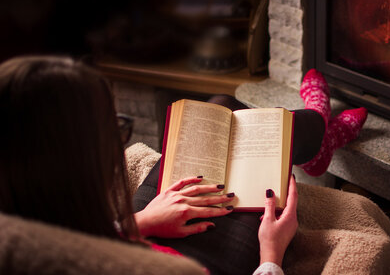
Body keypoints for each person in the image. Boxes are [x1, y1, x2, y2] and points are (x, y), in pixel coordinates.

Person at [0, 55, 367, 274]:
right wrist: (272, 253)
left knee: (222, 105)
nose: (119, 139)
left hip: (139, 235)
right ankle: (320, 133)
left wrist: (137, 224)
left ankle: (319, 138)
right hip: (201, 263)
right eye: (114, 129)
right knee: (236, 123)